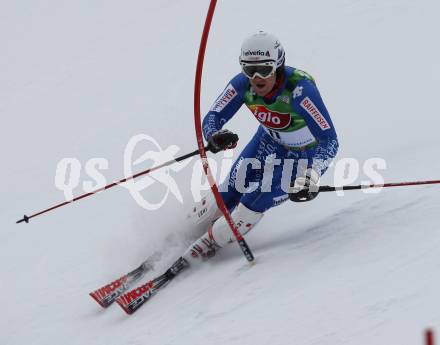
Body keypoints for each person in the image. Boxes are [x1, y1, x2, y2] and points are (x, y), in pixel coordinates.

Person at [181, 30, 339, 265]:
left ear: (278, 65)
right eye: (248, 69)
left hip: (304, 155)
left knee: (253, 200)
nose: (256, 78)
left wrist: (312, 175)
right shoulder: (242, 85)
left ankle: (212, 242)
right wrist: (215, 136)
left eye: (264, 70)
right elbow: (213, 116)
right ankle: (181, 235)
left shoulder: (300, 90)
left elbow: (330, 140)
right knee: (226, 194)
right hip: (267, 143)